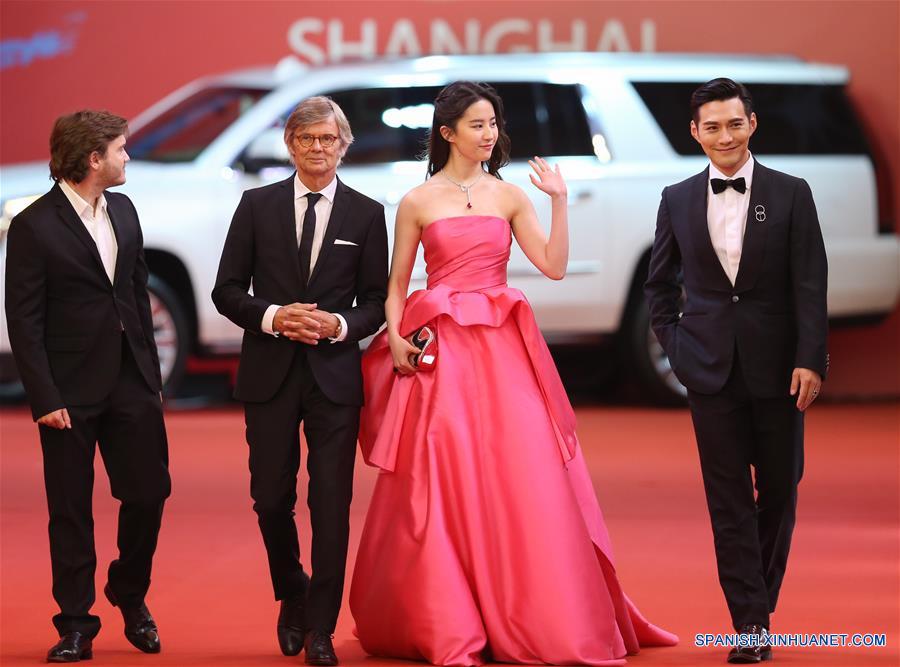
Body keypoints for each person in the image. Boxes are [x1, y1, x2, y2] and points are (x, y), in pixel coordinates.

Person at [350, 81, 677, 666]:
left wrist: (556, 199)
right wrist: (397, 339)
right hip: (441, 349)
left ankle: (527, 608)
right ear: (447, 133)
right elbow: (397, 285)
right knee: (441, 468)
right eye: (478, 125)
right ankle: (445, 612)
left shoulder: (509, 197)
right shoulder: (418, 200)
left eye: (493, 124)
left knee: (521, 465)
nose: (489, 134)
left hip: (502, 348)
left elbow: (551, 266)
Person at [644, 78, 828, 664]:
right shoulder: (675, 198)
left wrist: (809, 358)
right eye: (712, 126)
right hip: (709, 371)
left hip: (780, 370)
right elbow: (659, 286)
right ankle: (749, 624)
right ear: (695, 133)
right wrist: (678, 347)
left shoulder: (792, 193)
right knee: (727, 499)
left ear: (752, 124)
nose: (725, 135)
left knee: (780, 487)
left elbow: (810, 285)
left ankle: (760, 600)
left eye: (735, 123)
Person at [212, 96, 387, 665]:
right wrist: (272, 317)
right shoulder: (256, 205)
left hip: (335, 378)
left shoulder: (366, 213)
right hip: (268, 373)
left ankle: (321, 629)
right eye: (307, 139)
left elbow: (378, 302)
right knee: (270, 500)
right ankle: (292, 592)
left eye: (328, 140)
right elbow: (227, 289)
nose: (318, 149)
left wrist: (339, 325)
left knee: (330, 504)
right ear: (290, 145)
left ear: (344, 145)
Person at [5, 110, 171, 663]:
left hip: (131, 380)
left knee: (148, 493)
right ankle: (76, 623)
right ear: (93, 158)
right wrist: (44, 398)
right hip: (68, 391)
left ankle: (129, 590)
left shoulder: (124, 209)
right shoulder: (34, 225)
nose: (128, 158)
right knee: (70, 510)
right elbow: (23, 320)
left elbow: (137, 293)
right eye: (121, 150)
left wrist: (152, 374)